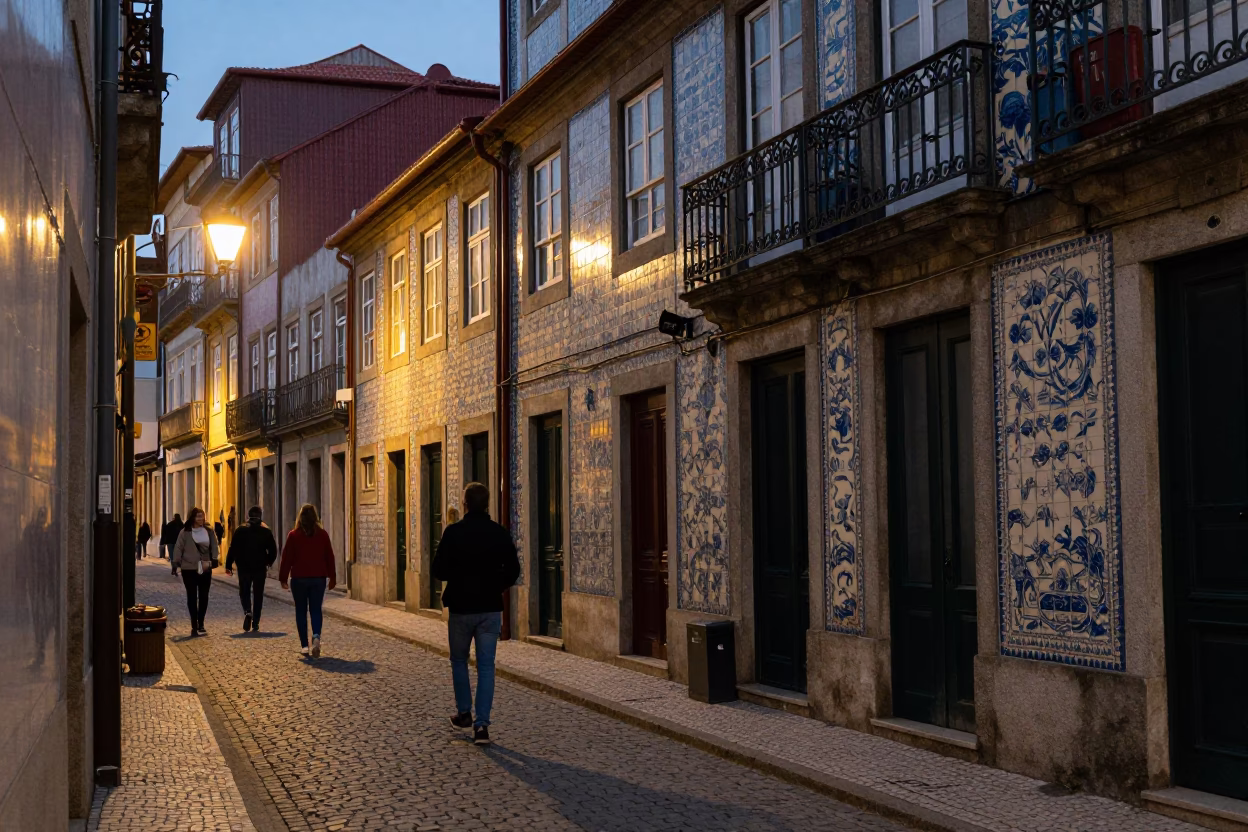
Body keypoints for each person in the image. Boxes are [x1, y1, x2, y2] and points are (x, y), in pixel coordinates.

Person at [432, 482, 520, 747]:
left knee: (459, 660)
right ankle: (482, 726)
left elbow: (439, 570)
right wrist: (497, 585)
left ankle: (464, 713)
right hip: (490, 608)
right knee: (486, 666)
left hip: (461, 608)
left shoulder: (454, 533)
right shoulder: (499, 533)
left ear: (466, 504)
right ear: (488, 504)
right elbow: (513, 569)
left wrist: (457, 576)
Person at [278, 504, 336, 658]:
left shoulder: (293, 535)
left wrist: (283, 578)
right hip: (318, 579)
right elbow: (329, 557)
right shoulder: (323, 535)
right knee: (316, 609)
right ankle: (316, 635)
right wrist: (333, 577)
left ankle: (304, 645)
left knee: (301, 611)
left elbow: (286, 559)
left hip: (299, 579)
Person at [225, 506, 278, 633]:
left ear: (248, 516)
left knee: (244, 591)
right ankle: (256, 622)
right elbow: (273, 550)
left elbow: (233, 548)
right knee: (258, 594)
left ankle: (248, 611)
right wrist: (268, 562)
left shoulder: (240, 529)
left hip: (243, 566)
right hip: (259, 567)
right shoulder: (265, 531)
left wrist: (228, 565)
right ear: (260, 516)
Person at [172, 507, 218, 636]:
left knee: (204, 596)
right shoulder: (185, 532)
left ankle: (201, 622)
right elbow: (178, 547)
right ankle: (194, 624)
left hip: (204, 566)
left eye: (202, 516)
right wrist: (176, 562)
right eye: (198, 516)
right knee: (192, 596)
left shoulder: (209, 531)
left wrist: (214, 558)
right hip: (189, 568)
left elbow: (214, 545)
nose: (201, 519)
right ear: (192, 517)